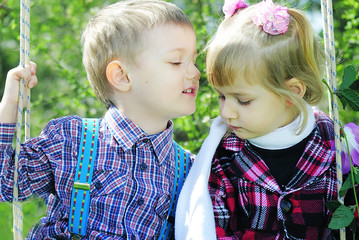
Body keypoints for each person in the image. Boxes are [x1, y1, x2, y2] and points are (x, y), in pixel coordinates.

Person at [0, 0, 200, 239]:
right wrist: (9, 105)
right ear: (122, 76)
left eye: (194, 61)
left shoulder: (189, 170)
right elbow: (5, 185)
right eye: (176, 61)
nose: (195, 72)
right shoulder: (72, 141)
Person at [175, 0, 342, 239]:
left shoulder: (334, 146)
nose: (226, 113)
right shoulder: (224, 160)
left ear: (292, 93)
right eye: (222, 96)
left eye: (243, 100)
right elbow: (216, 229)